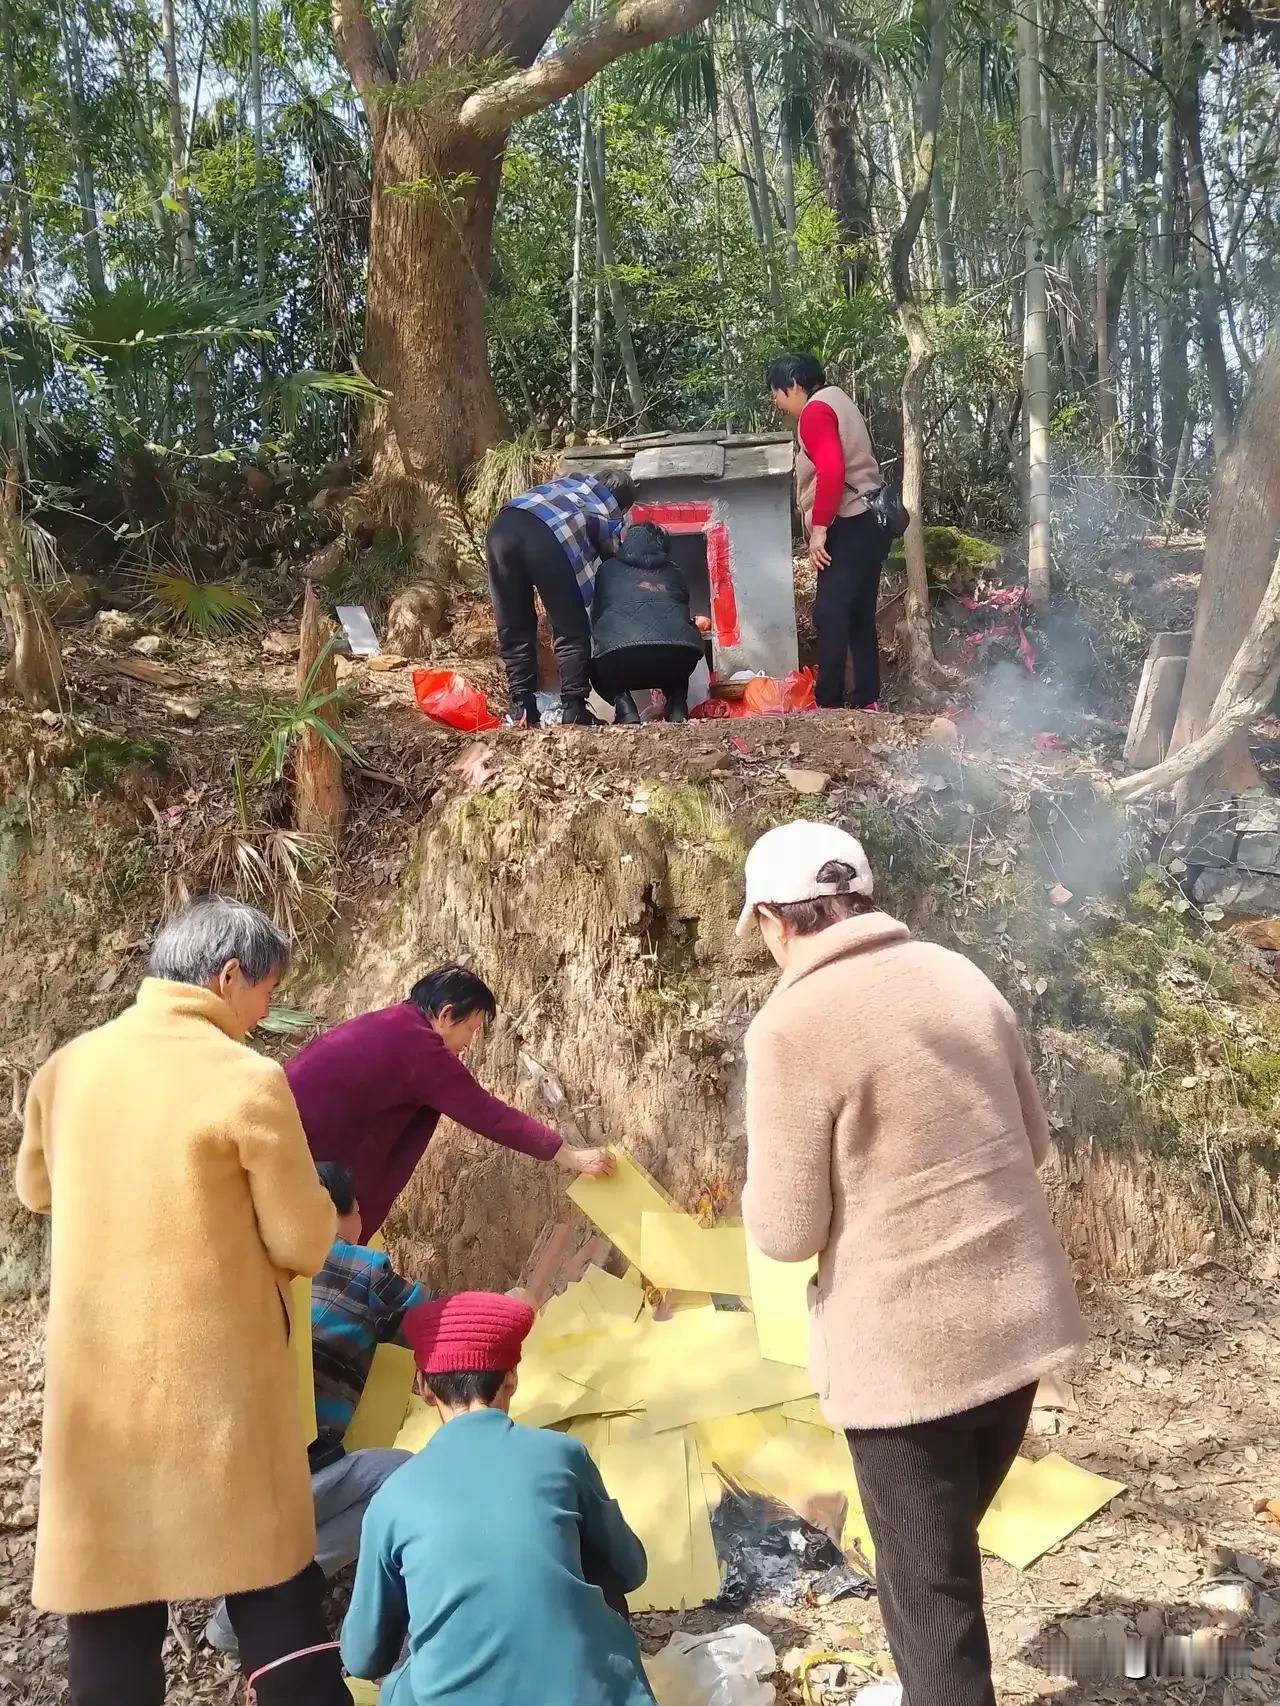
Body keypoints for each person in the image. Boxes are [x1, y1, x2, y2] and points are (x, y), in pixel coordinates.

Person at [738, 821, 1086, 1706]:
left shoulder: (790, 1025)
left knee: (933, 1606)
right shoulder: (957, 974)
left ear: (778, 923)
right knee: (935, 1556)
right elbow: (1034, 1142)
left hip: (906, 1359)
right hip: (1020, 1326)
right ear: (858, 900)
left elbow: (783, 1231)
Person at [15, 896, 349, 1706]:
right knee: (274, 1600)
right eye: (266, 992)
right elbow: (306, 1241)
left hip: (100, 1398)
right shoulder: (244, 1078)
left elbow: (34, 1189)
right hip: (219, 1397)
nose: (266, 1014)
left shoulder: (67, 1068)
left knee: (111, 1624)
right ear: (227, 976)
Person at [341, 1291, 655, 1705]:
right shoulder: (561, 1454)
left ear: (423, 1387)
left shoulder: (392, 1499)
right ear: (512, 1377)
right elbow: (630, 1570)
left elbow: (363, 1658)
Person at [206, 1160, 419, 1656]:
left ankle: (247, 1583)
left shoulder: (239, 1261)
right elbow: (436, 1324)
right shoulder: (360, 1267)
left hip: (208, 1486)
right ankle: (247, 1608)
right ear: (345, 1215)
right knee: (399, 1476)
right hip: (281, 1483)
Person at [286, 964, 613, 1242]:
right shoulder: (418, 1047)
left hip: (291, 1143)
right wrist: (570, 1156)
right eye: (470, 1029)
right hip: (302, 1160)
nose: (469, 1043)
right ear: (445, 1015)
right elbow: (488, 1114)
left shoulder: (393, 1025)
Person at [767, 352, 890, 710]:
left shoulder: (816, 411)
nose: (776, 402)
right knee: (859, 614)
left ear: (793, 385)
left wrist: (819, 529)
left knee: (831, 612)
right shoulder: (840, 399)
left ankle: (830, 701)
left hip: (846, 522)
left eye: (776, 392)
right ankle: (867, 699)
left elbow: (832, 472)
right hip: (870, 519)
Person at [486, 467, 639, 727]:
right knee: (571, 628)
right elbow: (612, 559)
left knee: (515, 625)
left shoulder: (569, 484)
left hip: (501, 529)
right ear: (623, 503)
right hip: (545, 538)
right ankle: (574, 707)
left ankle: (521, 707)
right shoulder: (608, 508)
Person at [590, 521, 705, 725]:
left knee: (597, 657)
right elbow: (683, 607)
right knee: (678, 651)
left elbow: (597, 616)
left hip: (621, 659)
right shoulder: (674, 571)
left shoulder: (606, 570)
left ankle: (625, 707)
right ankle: (678, 705)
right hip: (677, 656)